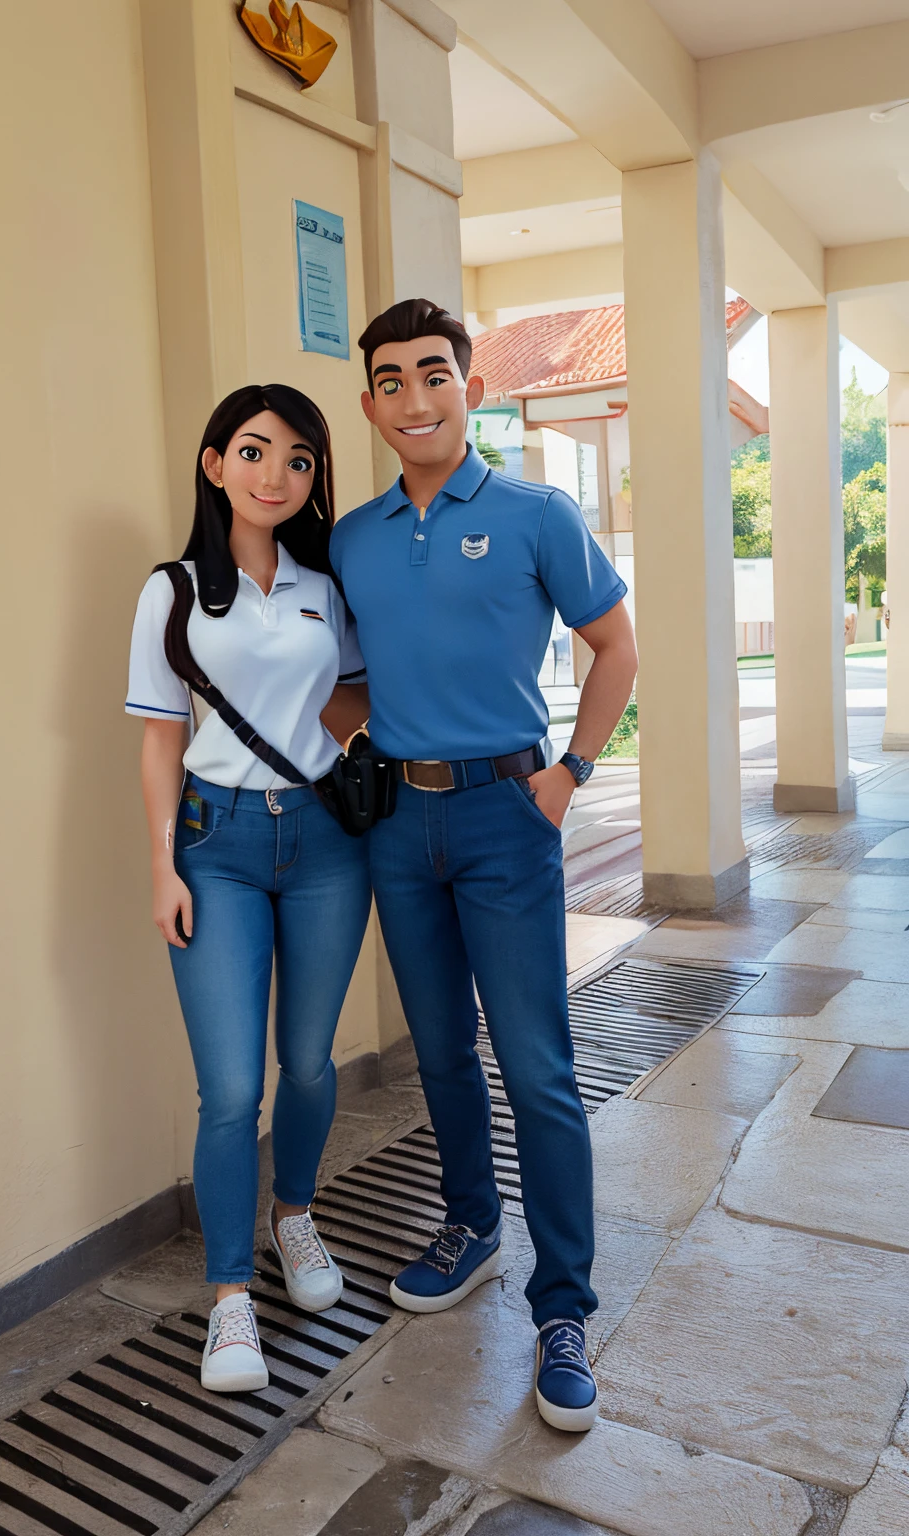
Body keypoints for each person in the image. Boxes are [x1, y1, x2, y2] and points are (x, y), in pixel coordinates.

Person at [329, 299, 638, 1433]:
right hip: (400, 831)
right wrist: (346, 733)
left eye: (436, 375)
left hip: (510, 817)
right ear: (370, 405)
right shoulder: (353, 537)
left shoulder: (534, 514)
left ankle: (564, 1309)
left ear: (469, 386)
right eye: (394, 382)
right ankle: (470, 1222)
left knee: (537, 1067)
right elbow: (347, 677)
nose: (417, 398)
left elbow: (616, 646)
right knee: (441, 1056)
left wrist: (570, 775)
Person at [128, 384, 371, 1394]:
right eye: (256, 452)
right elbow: (159, 734)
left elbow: (354, 691)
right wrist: (158, 864)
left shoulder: (327, 583)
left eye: (300, 460)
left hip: (323, 842)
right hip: (214, 847)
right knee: (232, 1087)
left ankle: (295, 1217)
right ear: (215, 462)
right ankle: (231, 1299)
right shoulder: (173, 590)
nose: (277, 475)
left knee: (310, 1064)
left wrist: (339, 746)